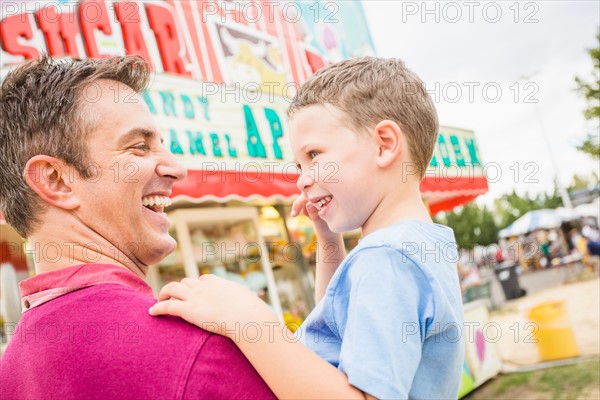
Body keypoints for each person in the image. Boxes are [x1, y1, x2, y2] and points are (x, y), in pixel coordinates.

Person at [150, 57, 465, 399]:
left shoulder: (385, 258)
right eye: (299, 164)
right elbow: (336, 325)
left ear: (384, 144)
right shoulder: (417, 244)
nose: (301, 178)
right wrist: (328, 239)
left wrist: (248, 320)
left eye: (313, 154)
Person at [0, 55, 275, 399]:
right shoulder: (199, 351)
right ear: (57, 180)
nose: (176, 168)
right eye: (139, 147)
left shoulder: (12, 368)